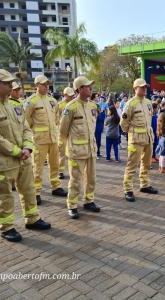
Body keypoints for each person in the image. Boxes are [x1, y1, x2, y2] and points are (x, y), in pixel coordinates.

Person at [0, 69, 51, 242]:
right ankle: (7, 227)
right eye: (7, 83)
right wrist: (18, 152)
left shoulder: (16, 105)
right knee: (4, 195)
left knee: (29, 190)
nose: (11, 85)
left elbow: (26, 128)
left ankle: (32, 219)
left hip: (24, 157)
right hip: (5, 160)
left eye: (11, 82)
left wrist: (28, 147)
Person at [59, 76, 101, 219]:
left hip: (90, 149)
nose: (91, 88)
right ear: (80, 89)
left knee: (91, 178)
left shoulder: (93, 106)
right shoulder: (70, 107)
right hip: (76, 151)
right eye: (88, 86)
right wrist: (68, 147)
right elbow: (63, 130)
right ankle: (72, 205)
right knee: (75, 180)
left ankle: (89, 200)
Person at [24, 75, 67, 205]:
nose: (46, 86)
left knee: (55, 164)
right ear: (36, 85)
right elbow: (26, 120)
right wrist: (34, 130)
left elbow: (57, 117)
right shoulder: (31, 101)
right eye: (43, 84)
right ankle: (36, 192)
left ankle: (56, 186)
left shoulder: (52, 100)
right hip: (39, 139)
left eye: (47, 84)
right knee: (37, 167)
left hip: (53, 138)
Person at [120, 78, 158, 202]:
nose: (144, 89)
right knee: (132, 165)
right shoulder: (130, 104)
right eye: (142, 87)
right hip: (135, 139)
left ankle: (144, 184)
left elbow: (150, 117)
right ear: (135, 88)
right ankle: (128, 189)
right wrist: (129, 134)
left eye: (145, 87)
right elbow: (123, 122)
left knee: (146, 163)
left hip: (148, 137)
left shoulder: (148, 102)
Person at [56, 87, 75, 179]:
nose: (71, 97)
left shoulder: (74, 104)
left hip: (72, 132)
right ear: (65, 95)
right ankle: (60, 171)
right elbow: (56, 118)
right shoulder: (59, 105)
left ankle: (74, 170)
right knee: (62, 153)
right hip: (62, 133)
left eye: (72, 95)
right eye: (69, 95)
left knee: (72, 152)